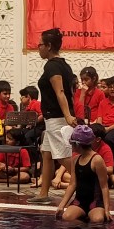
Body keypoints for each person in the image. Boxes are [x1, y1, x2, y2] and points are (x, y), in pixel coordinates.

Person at [28, 28, 77, 204]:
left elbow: (61, 92)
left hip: (57, 118)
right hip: (54, 118)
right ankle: (43, 194)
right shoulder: (64, 64)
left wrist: (68, 116)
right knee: (47, 154)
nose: (38, 48)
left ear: (48, 46)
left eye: (40, 45)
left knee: (62, 156)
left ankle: (91, 185)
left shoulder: (52, 65)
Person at [56, 125, 112, 223]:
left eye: (72, 143)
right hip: (80, 201)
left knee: (97, 220)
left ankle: (88, 219)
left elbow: (104, 186)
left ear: (78, 145)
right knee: (67, 217)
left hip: (95, 202)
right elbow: (72, 184)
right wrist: (62, 205)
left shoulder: (97, 160)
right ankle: (83, 223)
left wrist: (107, 210)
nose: (71, 146)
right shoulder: (75, 159)